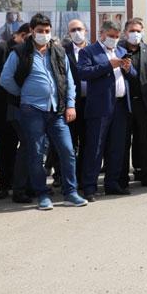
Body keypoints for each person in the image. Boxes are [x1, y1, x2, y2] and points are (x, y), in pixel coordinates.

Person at [0, 13, 87, 210]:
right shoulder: (19, 52)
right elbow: (5, 79)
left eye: (47, 31)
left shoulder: (58, 52)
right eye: (40, 31)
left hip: (57, 111)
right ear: (32, 31)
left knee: (67, 151)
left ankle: (70, 192)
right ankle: (42, 194)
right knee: (36, 154)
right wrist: (23, 95)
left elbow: (69, 81)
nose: (44, 35)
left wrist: (70, 105)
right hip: (32, 111)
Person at [77, 20, 136, 201]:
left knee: (116, 147)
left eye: (117, 37)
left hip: (120, 106)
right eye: (111, 36)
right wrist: (109, 65)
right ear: (101, 34)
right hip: (100, 106)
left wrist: (128, 68)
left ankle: (112, 184)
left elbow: (133, 75)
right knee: (95, 148)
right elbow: (84, 73)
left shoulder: (120, 51)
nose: (114, 39)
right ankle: (89, 187)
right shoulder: (88, 51)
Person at [0, 23, 32, 203]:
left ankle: (23, 183)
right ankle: (5, 185)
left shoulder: (31, 51)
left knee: (27, 146)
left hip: (25, 107)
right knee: (6, 148)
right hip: (4, 108)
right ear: (21, 35)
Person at [120, 18, 147, 188]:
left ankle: (145, 174)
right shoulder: (118, 48)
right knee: (123, 142)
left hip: (145, 103)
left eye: (138, 30)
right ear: (125, 32)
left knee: (144, 142)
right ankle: (122, 177)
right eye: (132, 30)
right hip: (123, 103)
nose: (135, 34)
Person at [60, 19, 90, 183]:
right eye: (73, 30)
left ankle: (84, 178)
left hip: (90, 103)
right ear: (68, 33)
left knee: (87, 142)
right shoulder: (62, 51)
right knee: (69, 144)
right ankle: (67, 178)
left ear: (85, 30)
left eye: (79, 29)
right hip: (70, 104)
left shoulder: (94, 50)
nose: (76, 32)